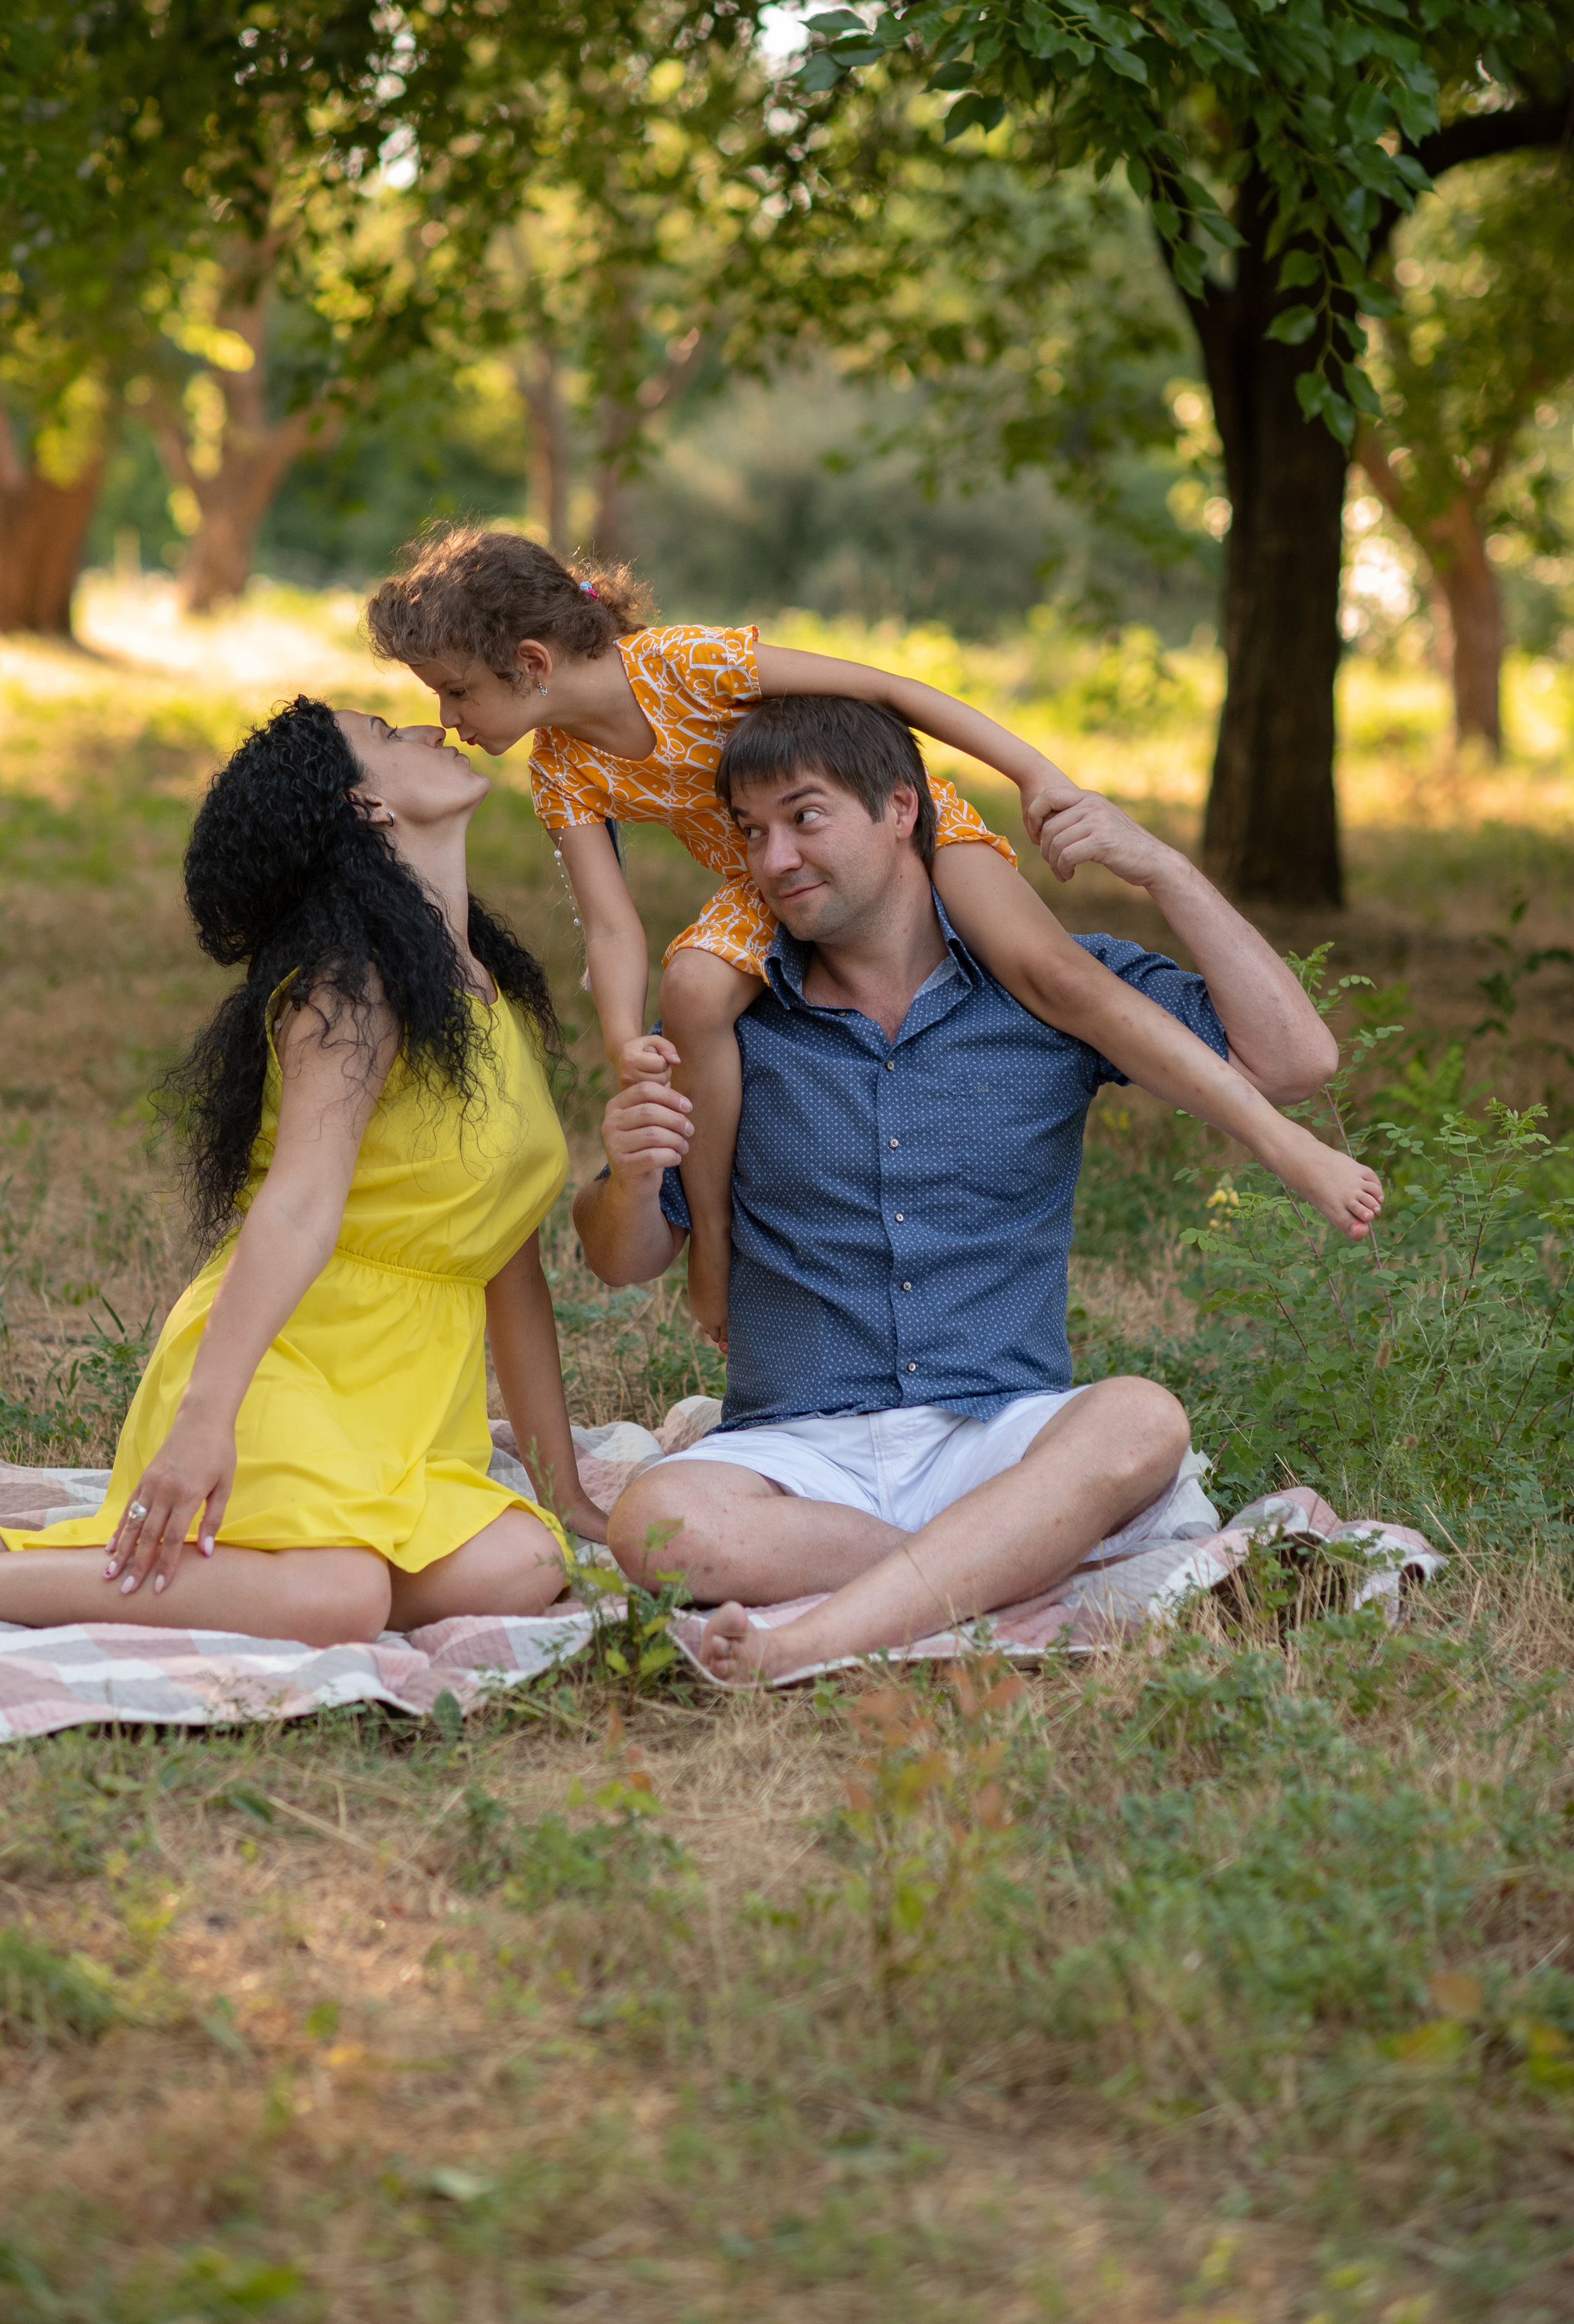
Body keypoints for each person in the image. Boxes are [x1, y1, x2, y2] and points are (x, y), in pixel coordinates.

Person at [366, 529, 1381, 1346]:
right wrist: (626, 1040)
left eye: (456, 690)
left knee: (1051, 975)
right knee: (690, 989)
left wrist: (1035, 772)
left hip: (898, 825)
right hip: (770, 879)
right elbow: (611, 920)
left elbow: (892, 694)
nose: (449, 720)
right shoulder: (563, 766)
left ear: (532, 663)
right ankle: (713, 1249)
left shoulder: (687, 662)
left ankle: (1279, 1141)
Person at [576, 695, 1381, 1685]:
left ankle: (817, 1636)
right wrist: (631, 1164)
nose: (773, 857)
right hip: (801, 1455)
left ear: (901, 809)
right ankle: (1004, 1567)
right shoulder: (731, 1024)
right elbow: (622, 1258)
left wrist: (1161, 866)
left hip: (998, 1433)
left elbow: (1298, 1061)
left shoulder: (1056, 989)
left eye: (805, 816)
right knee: (655, 1524)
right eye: (751, 832)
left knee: (1142, 1420)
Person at [0, 697, 609, 1637]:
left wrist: (568, 1493)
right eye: (388, 735)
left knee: (530, 1557)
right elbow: (297, 1207)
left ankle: (76, 1564)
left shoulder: (486, 993)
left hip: (407, 1392)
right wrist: (206, 1419)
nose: (432, 727)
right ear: (367, 805)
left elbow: (506, 1259)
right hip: (283, 1359)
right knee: (340, 1596)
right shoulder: (353, 988)